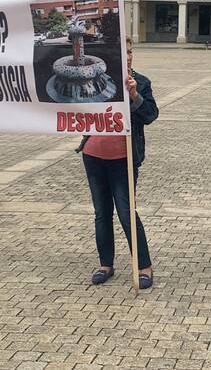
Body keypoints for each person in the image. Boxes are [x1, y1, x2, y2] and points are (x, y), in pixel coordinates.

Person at [79, 36, 159, 288]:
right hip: (93, 155)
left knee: (126, 212)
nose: (128, 55)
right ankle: (106, 264)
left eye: (130, 50)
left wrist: (134, 95)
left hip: (123, 158)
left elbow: (150, 115)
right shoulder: (94, 82)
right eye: (122, 51)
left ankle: (143, 266)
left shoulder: (141, 82)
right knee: (102, 213)